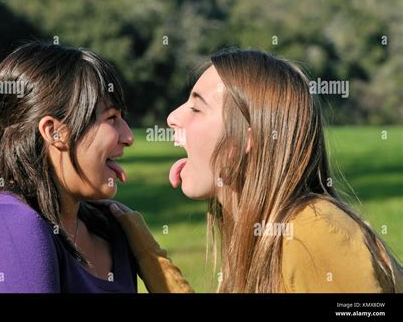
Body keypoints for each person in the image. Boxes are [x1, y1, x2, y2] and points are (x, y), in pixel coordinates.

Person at [109, 49, 403, 293]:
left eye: (197, 109)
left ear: (248, 138)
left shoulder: (311, 233)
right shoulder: (269, 232)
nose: (173, 117)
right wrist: (147, 252)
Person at [0, 42, 138, 293]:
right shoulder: (5, 225)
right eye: (111, 118)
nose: (128, 136)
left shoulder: (111, 227)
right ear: (54, 132)